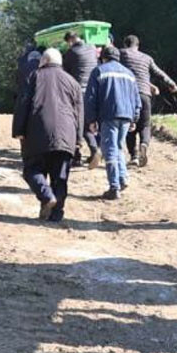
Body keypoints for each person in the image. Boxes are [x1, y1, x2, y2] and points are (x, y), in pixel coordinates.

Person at [12, 49, 83, 223]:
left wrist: (18, 130)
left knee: (32, 170)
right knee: (60, 177)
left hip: (37, 133)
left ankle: (46, 197)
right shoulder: (73, 82)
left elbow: (22, 104)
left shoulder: (33, 77)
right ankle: (56, 214)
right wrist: (79, 139)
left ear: (42, 61)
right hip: (66, 136)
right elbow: (79, 112)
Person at [84, 46, 140, 200]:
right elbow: (137, 98)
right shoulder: (129, 74)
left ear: (103, 58)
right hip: (127, 116)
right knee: (119, 147)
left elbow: (90, 98)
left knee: (109, 150)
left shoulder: (99, 71)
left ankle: (114, 187)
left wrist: (91, 120)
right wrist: (135, 117)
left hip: (109, 115)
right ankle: (122, 179)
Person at [120, 35, 177, 168]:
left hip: (127, 94)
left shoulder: (121, 54)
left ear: (125, 44)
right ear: (138, 45)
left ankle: (134, 156)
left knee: (130, 125)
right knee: (145, 124)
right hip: (144, 94)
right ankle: (144, 145)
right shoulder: (147, 58)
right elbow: (159, 73)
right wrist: (171, 84)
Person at [63, 31, 100, 168]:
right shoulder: (92, 48)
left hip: (77, 92)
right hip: (93, 92)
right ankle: (94, 151)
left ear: (70, 40)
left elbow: (65, 72)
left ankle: (77, 156)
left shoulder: (71, 53)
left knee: (74, 125)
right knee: (87, 124)